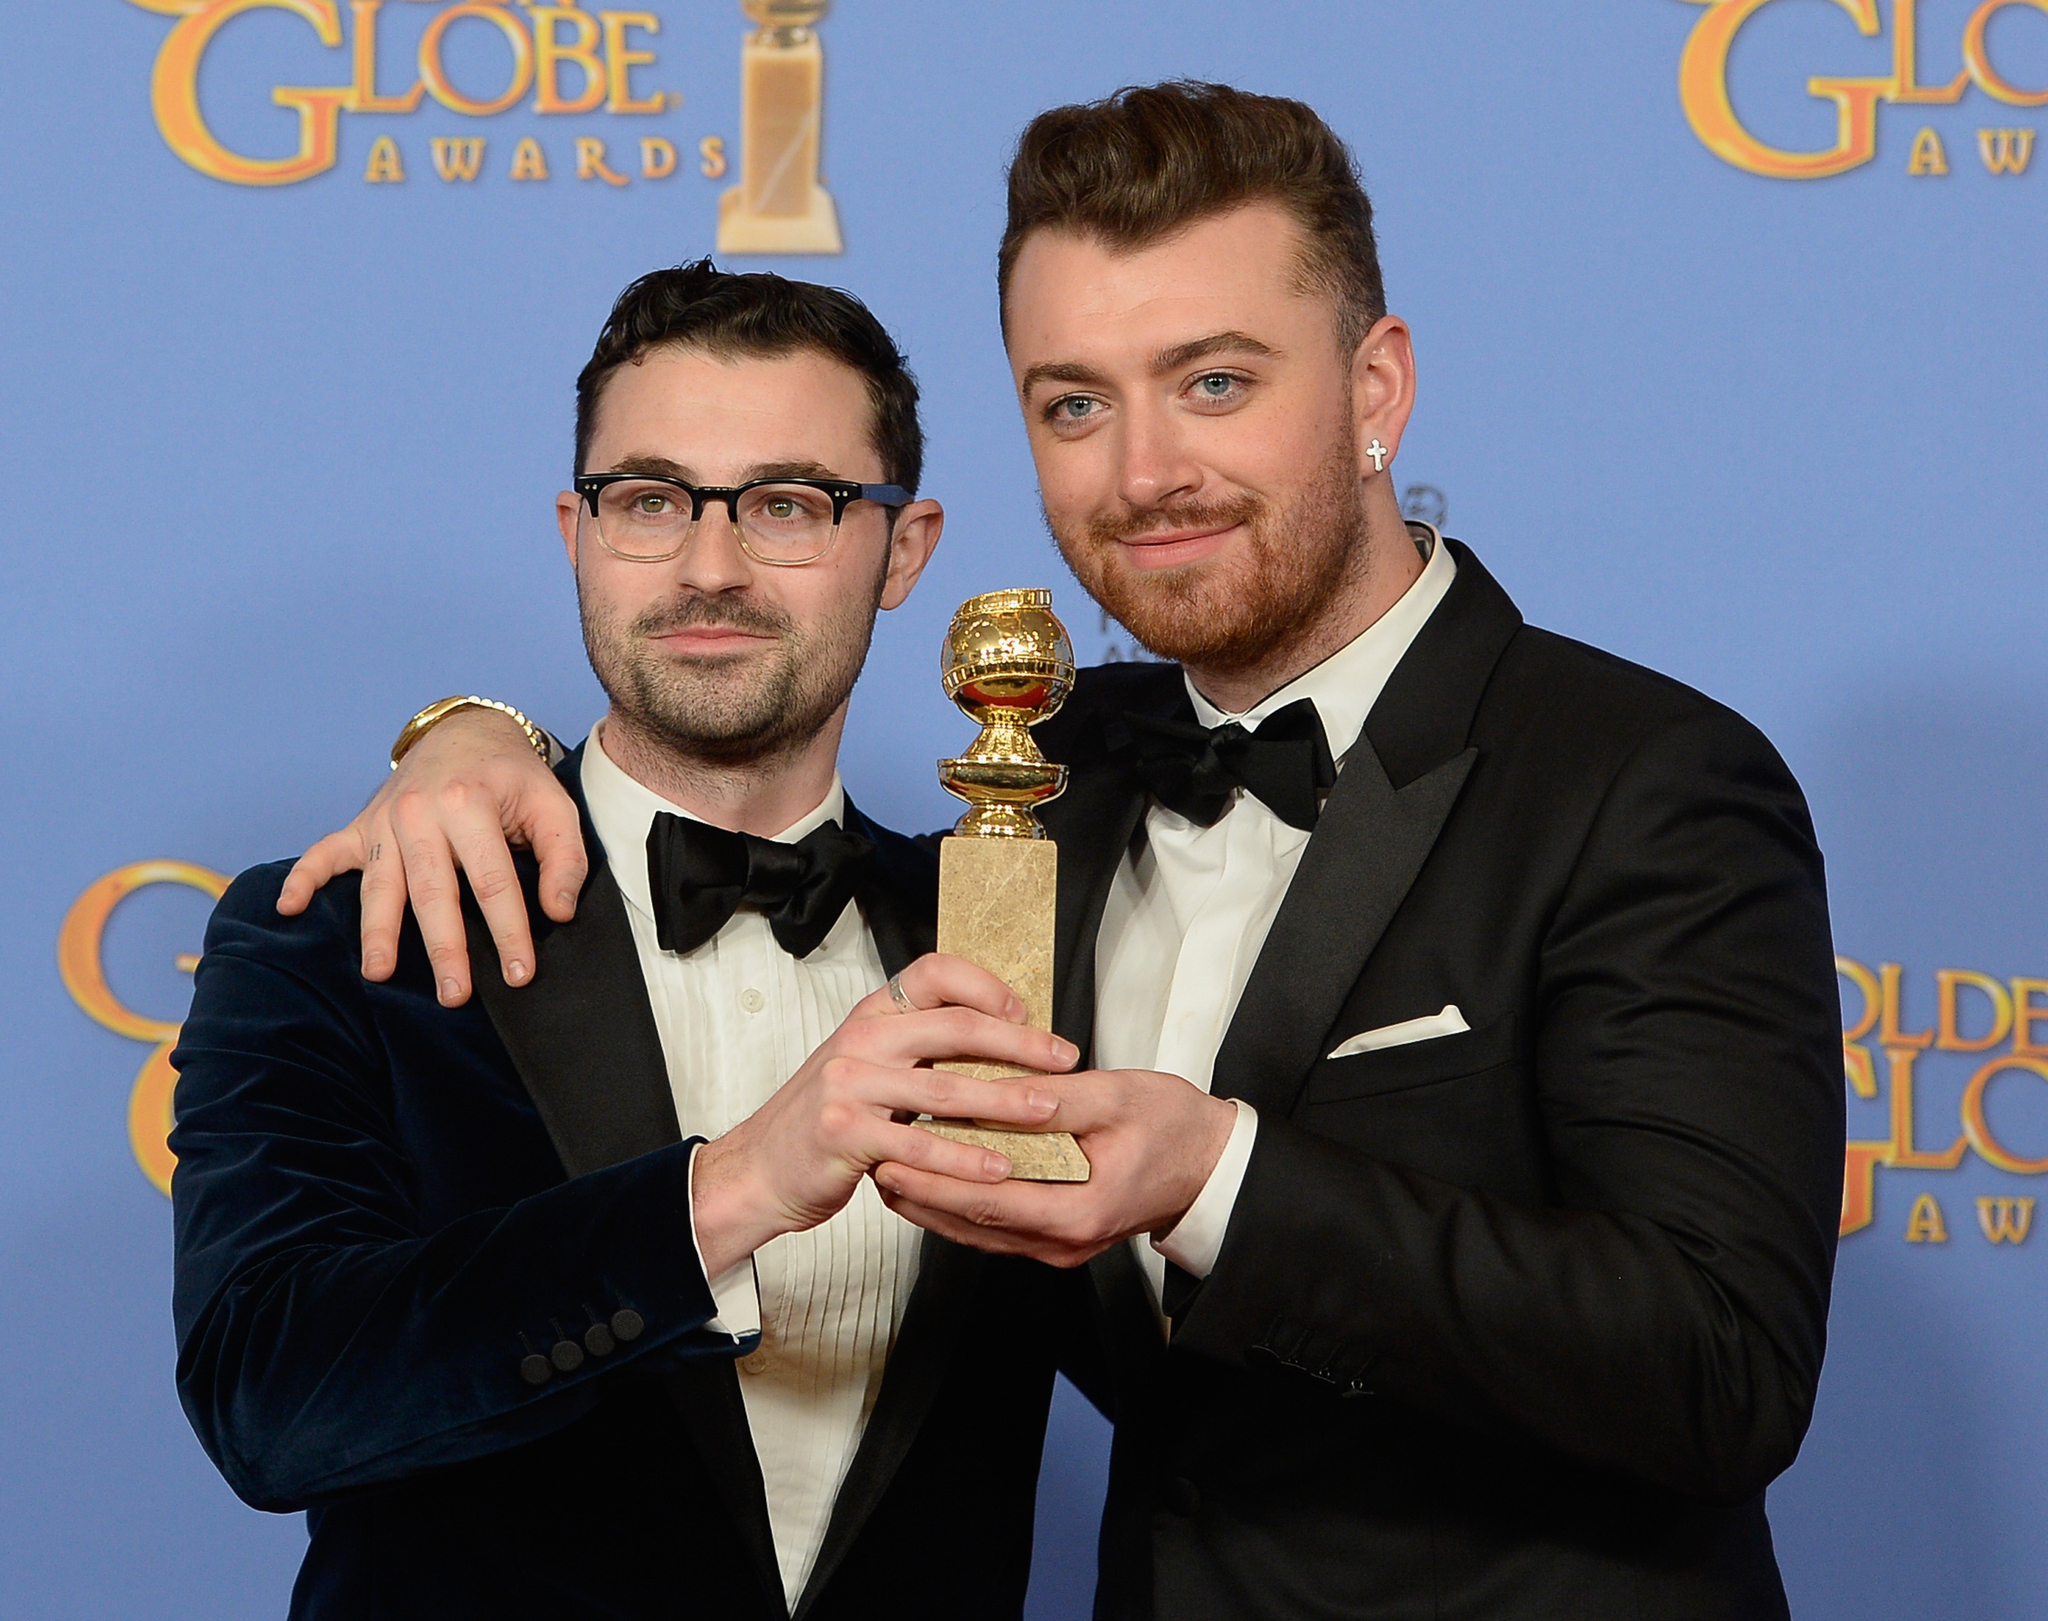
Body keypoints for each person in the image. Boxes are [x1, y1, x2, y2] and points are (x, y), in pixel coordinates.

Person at [289, 84, 1845, 1621]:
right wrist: (472, 734)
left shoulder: (1642, 780)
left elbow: (1720, 1367)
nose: (1143, 471)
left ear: (1379, 389)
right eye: (1074, 402)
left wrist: (1216, 1177)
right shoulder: (1054, 774)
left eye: (1217, 382)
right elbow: (716, 696)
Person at [171, 261, 1091, 1621]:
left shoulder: (1021, 930)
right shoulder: (349, 927)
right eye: (652, 499)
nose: (709, 567)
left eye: (789, 503)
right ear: (576, 529)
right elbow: (275, 1399)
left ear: (904, 548)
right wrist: (726, 1190)